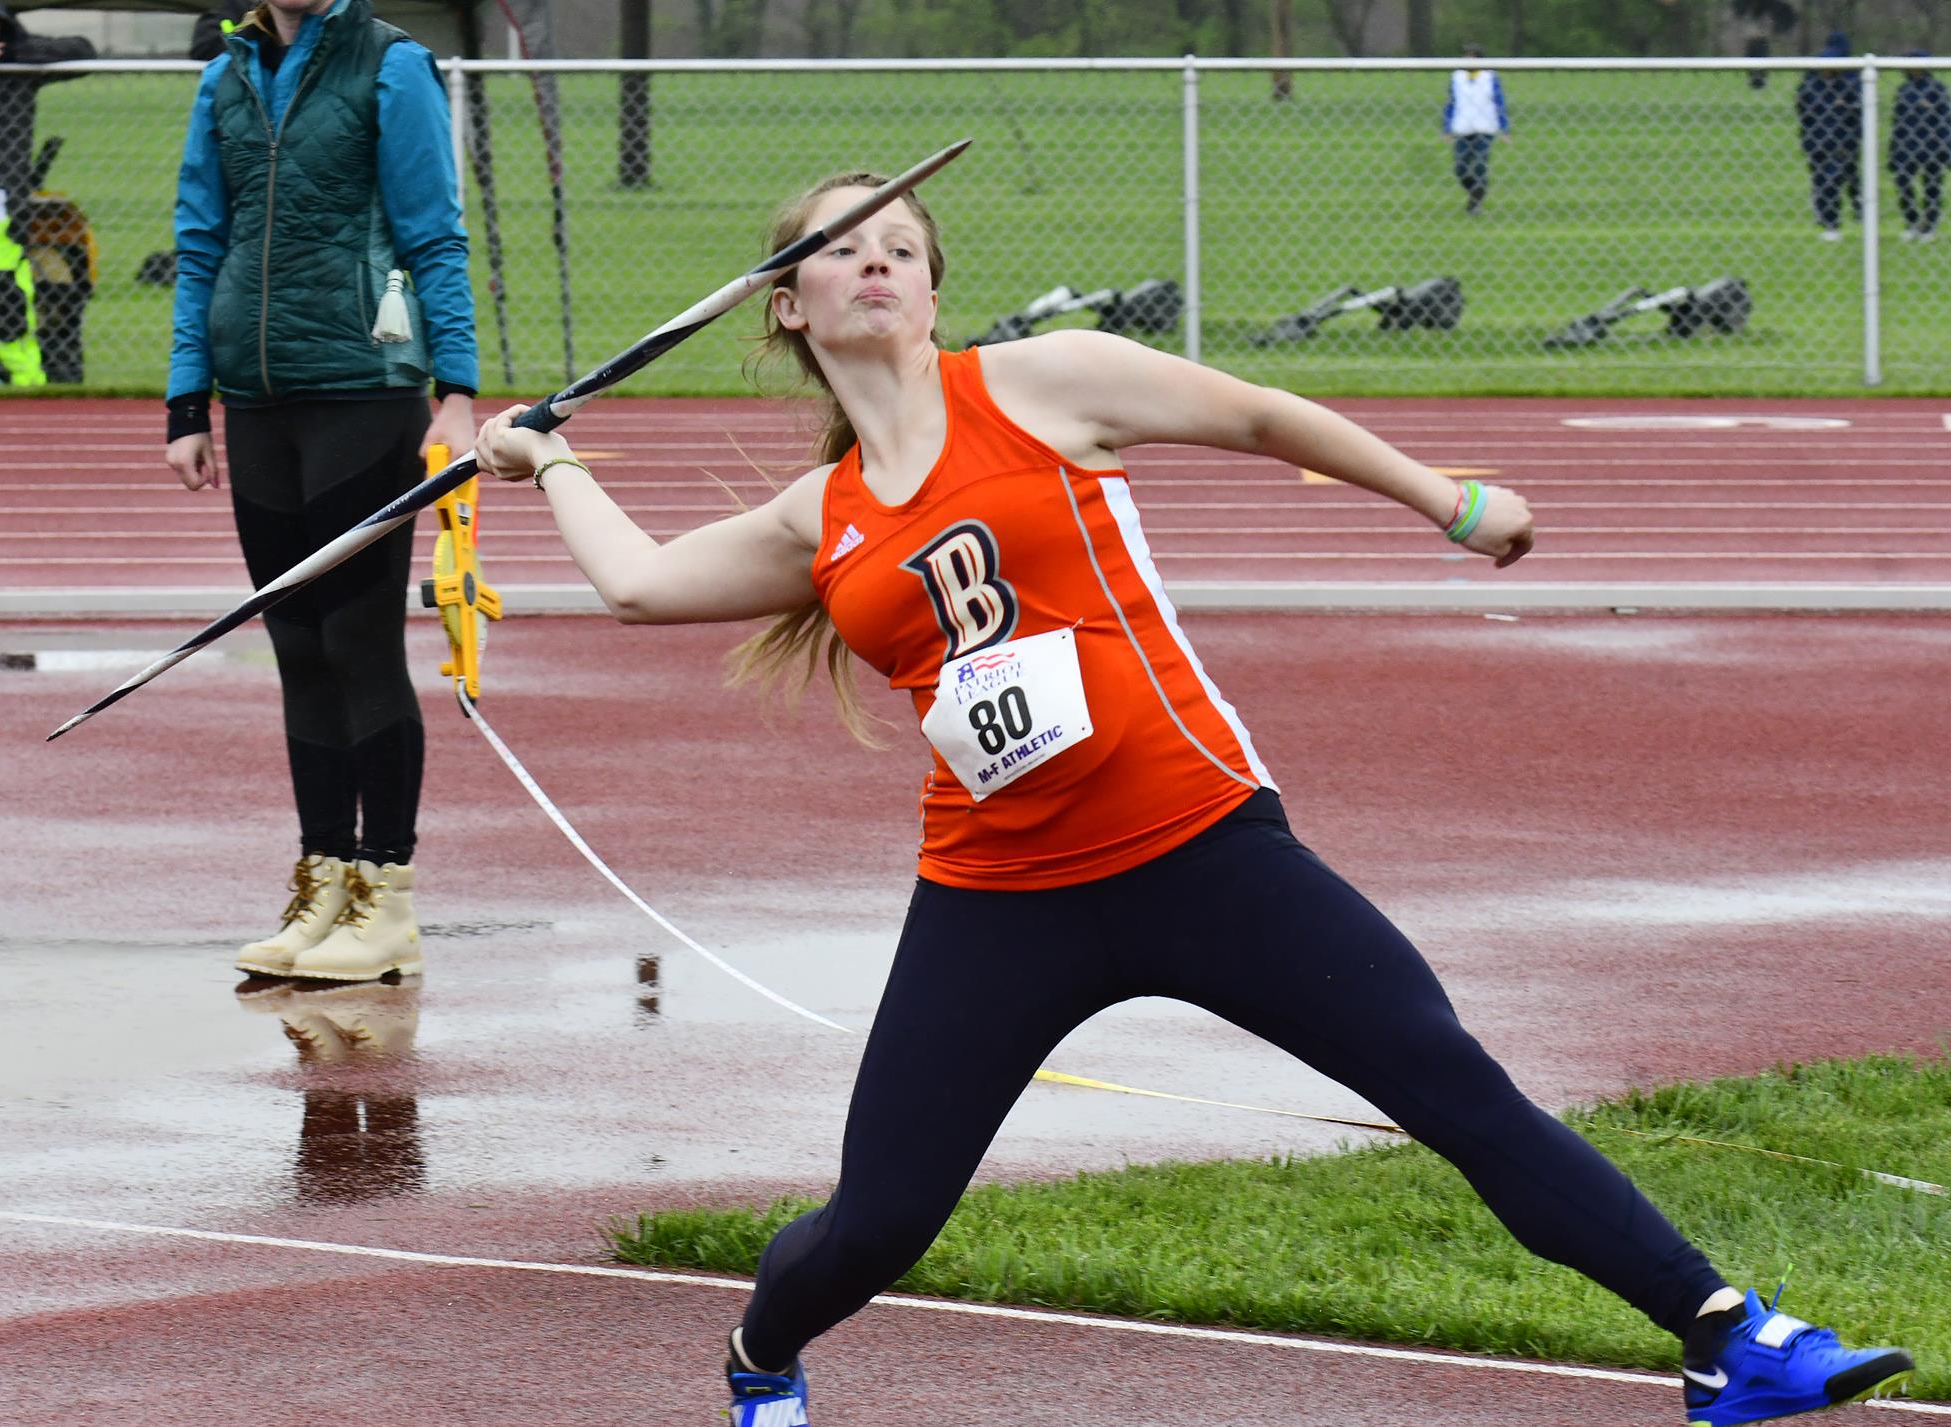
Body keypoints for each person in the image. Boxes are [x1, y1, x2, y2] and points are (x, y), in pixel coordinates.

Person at [474, 172, 1917, 1427]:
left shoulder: (1042, 379)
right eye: (842, 248)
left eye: (902, 246)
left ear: (931, 289)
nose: (877, 263)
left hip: (1202, 845)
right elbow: (640, 584)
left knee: (1444, 1077)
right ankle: (759, 1347)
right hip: (999, 898)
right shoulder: (828, 514)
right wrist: (547, 460)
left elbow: (1259, 411)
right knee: (883, 1219)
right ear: (783, 305)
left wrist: (1444, 498)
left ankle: (1734, 1338)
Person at [163, 0, 477, 983]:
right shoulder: (227, 74)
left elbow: (435, 234)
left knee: (356, 639)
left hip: (365, 387)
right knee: (295, 642)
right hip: (257, 397)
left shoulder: (392, 66)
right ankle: (323, 880)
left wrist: (456, 388)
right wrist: (186, 395)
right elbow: (198, 237)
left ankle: (386, 896)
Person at [0, 0, 92, 385]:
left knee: (8, 292)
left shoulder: (19, 63)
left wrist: (11, 55)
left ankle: (26, 379)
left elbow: (82, 49)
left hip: (4, 201)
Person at [1796, 33, 1863, 240]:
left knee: (1834, 180)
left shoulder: (1850, 82)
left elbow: (1858, 114)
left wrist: (1853, 137)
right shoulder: (1810, 84)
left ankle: (1833, 224)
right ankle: (1827, 216)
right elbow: (1803, 113)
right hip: (1817, 142)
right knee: (1821, 180)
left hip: (1843, 142)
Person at [1441, 42, 1508, 215]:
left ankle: (1476, 202)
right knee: (1460, 167)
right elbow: (1451, 103)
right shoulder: (1457, 77)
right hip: (1462, 129)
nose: (1468, 60)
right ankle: (1474, 193)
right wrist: (1447, 128)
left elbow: (1499, 102)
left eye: (1472, 56)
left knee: (1479, 165)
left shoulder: (1490, 77)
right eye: (1466, 56)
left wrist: (1504, 128)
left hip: (1484, 128)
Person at [1890, 51, 1950, 242]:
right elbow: (1897, 123)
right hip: (1907, 147)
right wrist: (1894, 150)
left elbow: (1945, 121)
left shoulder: (1937, 90)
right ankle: (1912, 222)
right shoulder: (1904, 91)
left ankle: (1929, 227)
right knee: (1903, 183)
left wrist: (1946, 149)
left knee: (1932, 187)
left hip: (1932, 148)